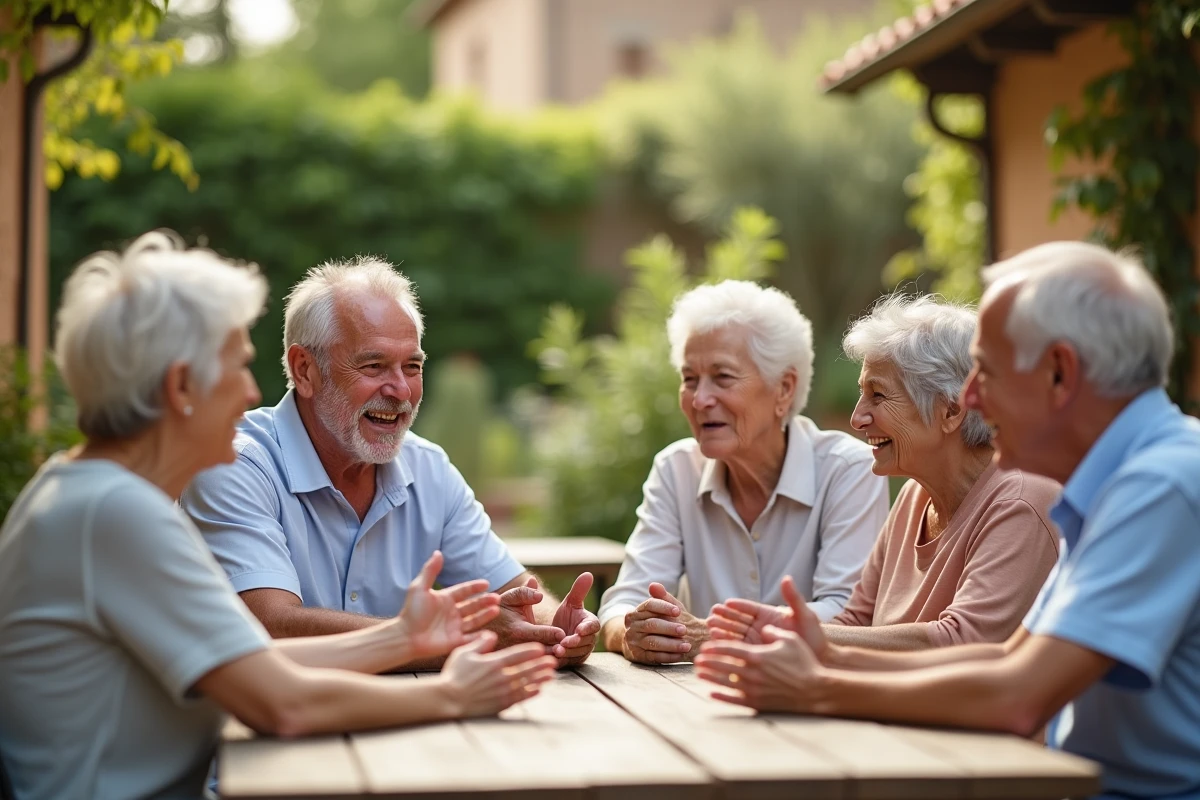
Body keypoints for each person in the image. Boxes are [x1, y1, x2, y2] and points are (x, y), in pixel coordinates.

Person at [0, 234, 556, 800]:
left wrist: (403, 638)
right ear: (181, 386)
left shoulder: (88, 494)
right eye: (238, 367)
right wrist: (453, 695)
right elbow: (282, 703)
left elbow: (255, 659)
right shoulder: (115, 514)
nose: (250, 392)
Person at [694, 242, 1200, 800]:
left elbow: (1018, 694)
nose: (972, 396)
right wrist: (829, 653)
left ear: (1060, 372)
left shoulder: (1162, 484)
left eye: (988, 371)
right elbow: (1008, 659)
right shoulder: (1121, 480)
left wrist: (817, 687)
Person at [180, 256, 598, 668]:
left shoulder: (429, 469)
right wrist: (458, 640)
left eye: (412, 366)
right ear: (304, 370)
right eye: (374, 365)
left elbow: (516, 596)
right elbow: (269, 629)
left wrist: (558, 627)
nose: (400, 390)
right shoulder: (233, 463)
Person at [708, 295, 1060, 651]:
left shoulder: (1021, 502)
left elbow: (963, 642)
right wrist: (765, 633)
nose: (857, 418)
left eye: (877, 396)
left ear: (951, 411)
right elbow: (855, 622)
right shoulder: (915, 496)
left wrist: (785, 631)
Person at [598, 280, 890, 665]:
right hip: (692, 693)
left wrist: (714, 636)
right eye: (689, 379)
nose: (700, 399)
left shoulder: (849, 469)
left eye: (722, 377)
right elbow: (625, 601)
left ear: (784, 389)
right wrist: (632, 633)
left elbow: (846, 615)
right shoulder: (676, 469)